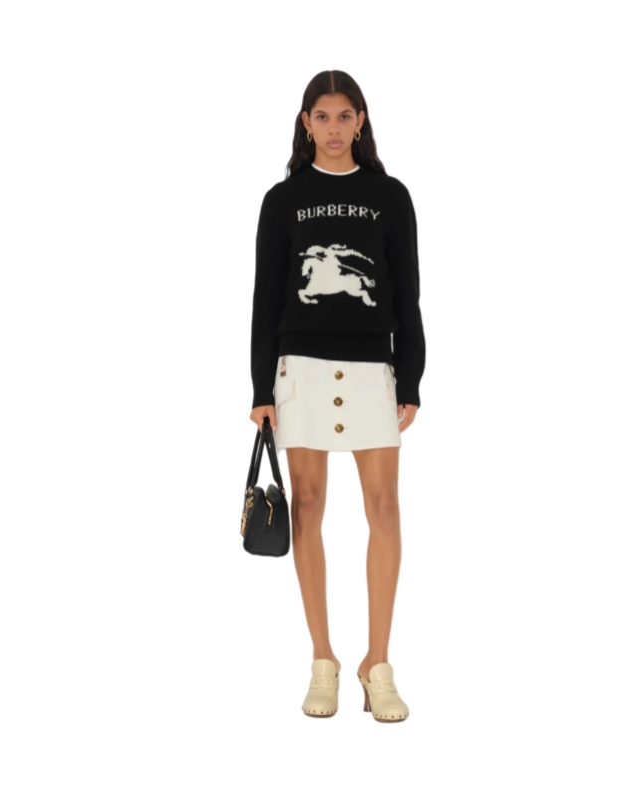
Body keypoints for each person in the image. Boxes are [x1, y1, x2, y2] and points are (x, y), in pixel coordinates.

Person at [249, 70, 425, 723]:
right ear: (305, 122)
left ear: (360, 120)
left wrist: (411, 376)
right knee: (308, 507)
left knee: (385, 509)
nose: (332, 128)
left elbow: (407, 292)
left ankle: (378, 663)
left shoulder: (389, 196)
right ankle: (322, 659)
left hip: (373, 369)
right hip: (300, 370)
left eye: (344, 116)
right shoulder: (283, 200)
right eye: (320, 116)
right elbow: (266, 296)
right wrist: (260, 387)